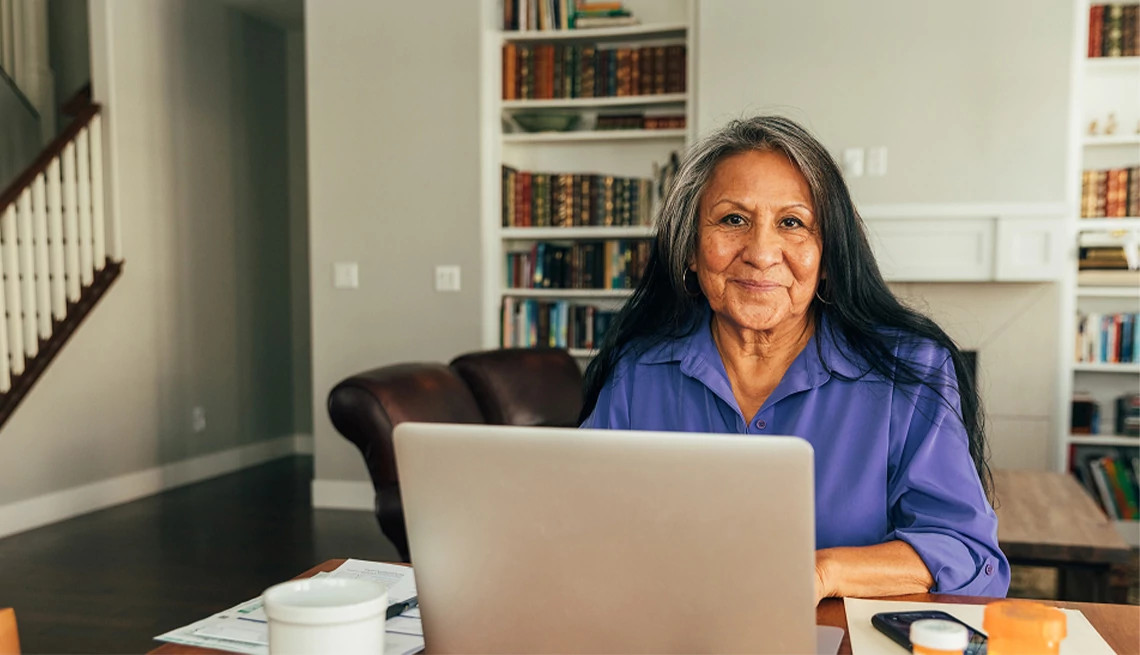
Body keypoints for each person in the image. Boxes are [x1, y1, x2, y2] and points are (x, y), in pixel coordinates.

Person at [580, 115, 1010, 602]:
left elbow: (967, 553)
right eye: (732, 219)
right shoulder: (638, 371)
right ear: (691, 251)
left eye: (792, 223)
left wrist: (823, 573)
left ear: (827, 258)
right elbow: (576, 525)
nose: (762, 252)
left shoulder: (908, 373)